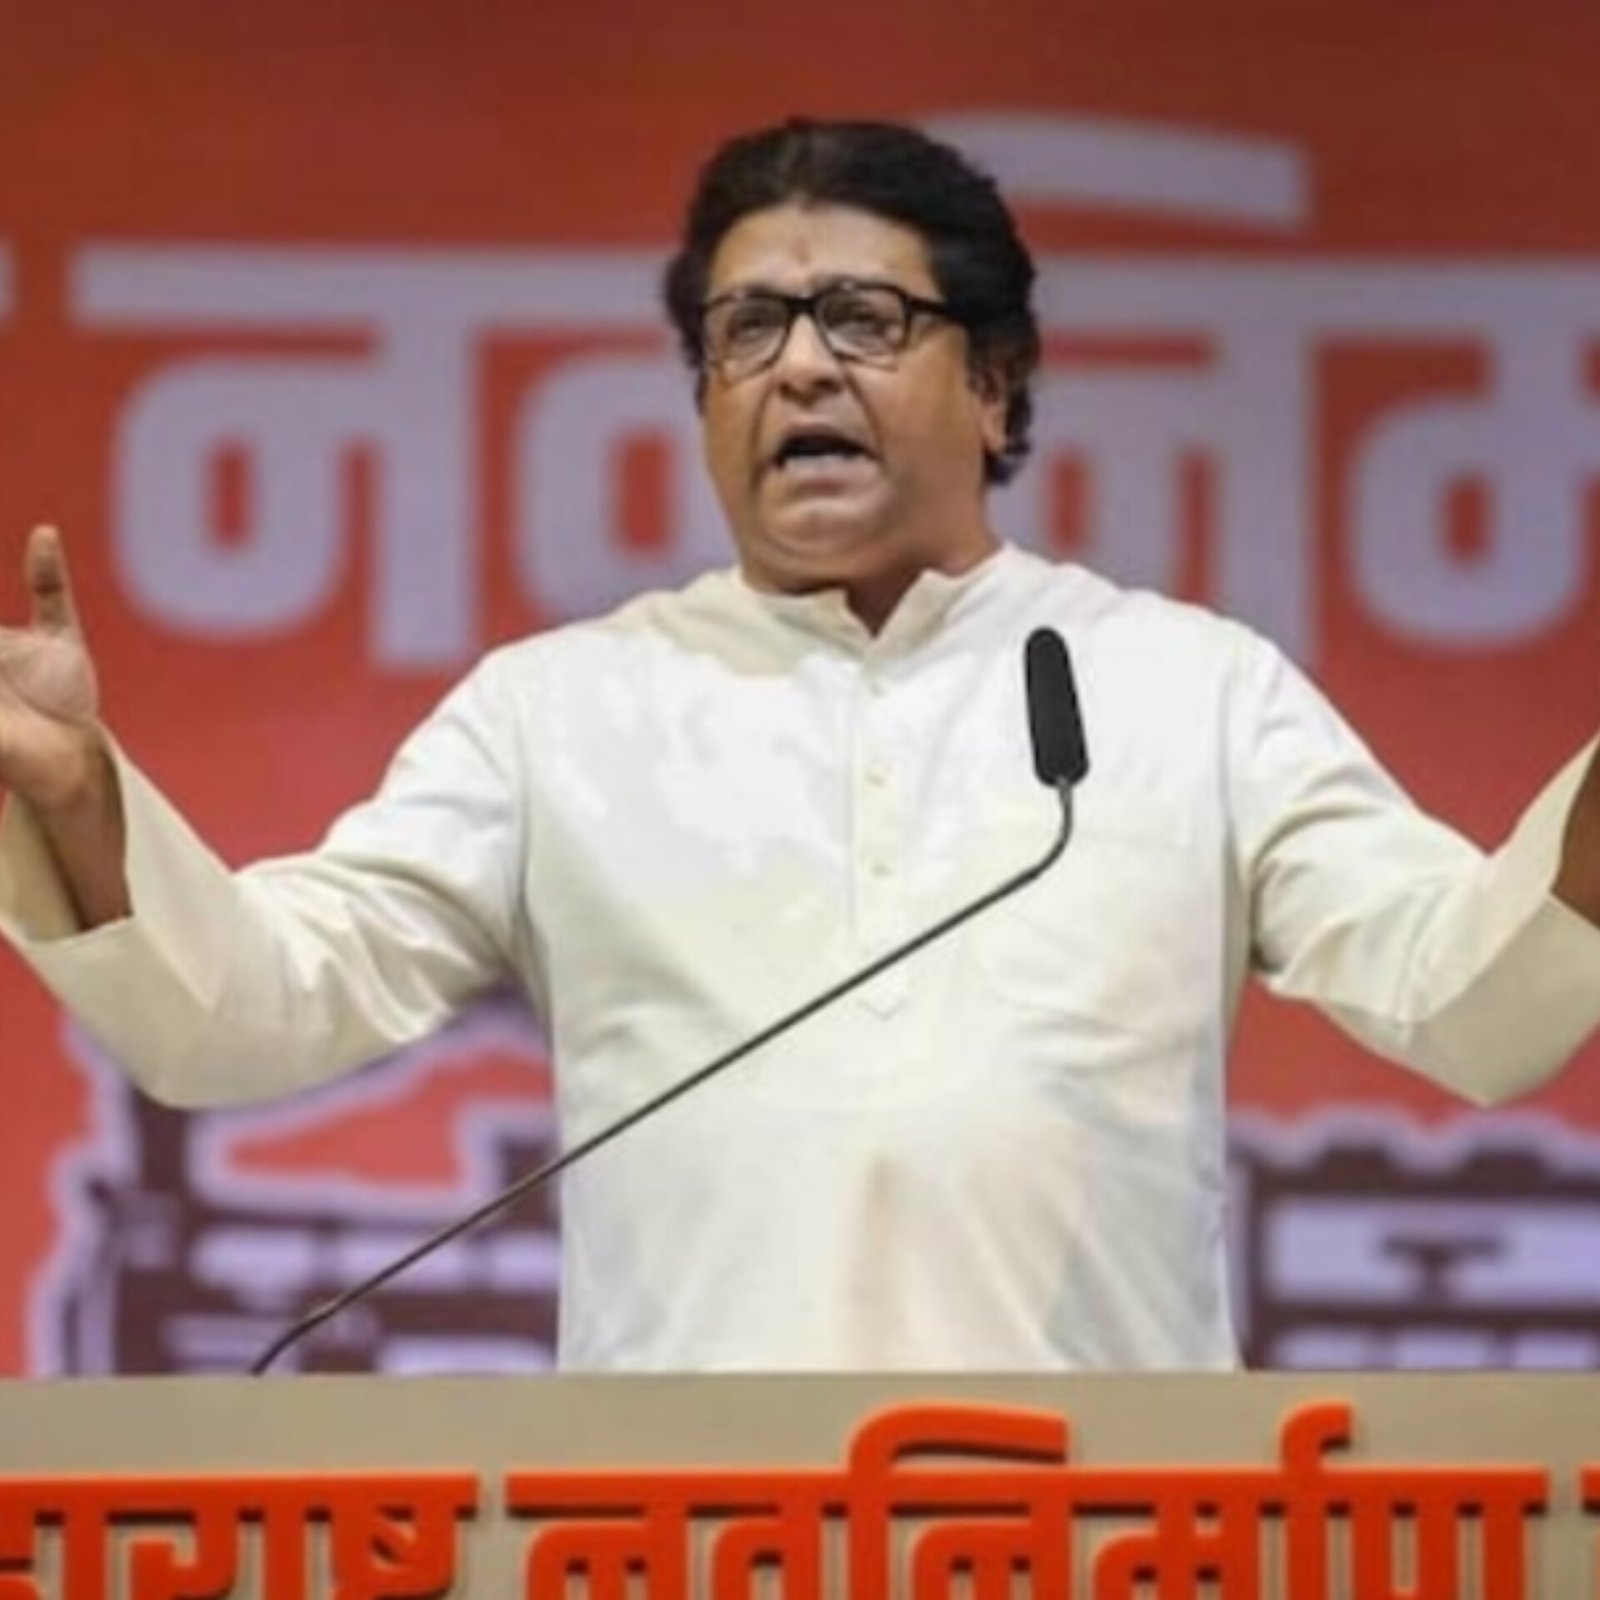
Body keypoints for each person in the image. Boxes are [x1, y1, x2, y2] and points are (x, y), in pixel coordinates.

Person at [4, 118, 1600, 1372]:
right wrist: (74, 796)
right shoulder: (560, 712)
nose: (801, 366)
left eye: (863, 318)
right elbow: (252, 1015)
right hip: (675, 1535)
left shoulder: (1192, 689)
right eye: (747, 328)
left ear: (997, 385)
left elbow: (1470, 1000)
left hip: (1105, 1529)